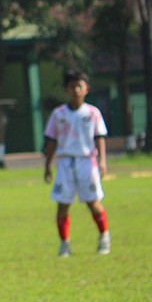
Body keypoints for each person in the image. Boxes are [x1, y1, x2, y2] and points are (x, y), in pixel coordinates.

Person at [43, 69, 110, 257]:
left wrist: (102, 161)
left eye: (79, 86)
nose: (76, 90)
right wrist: (48, 165)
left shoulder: (92, 113)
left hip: (86, 162)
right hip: (65, 163)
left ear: (86, 89)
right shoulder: (58, 114)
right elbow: (50, 140)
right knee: (62, 205)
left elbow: (99, 137)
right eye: (72, 86)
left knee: (92, 202)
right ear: (66, 89)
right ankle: (65, 243)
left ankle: (104, 236)